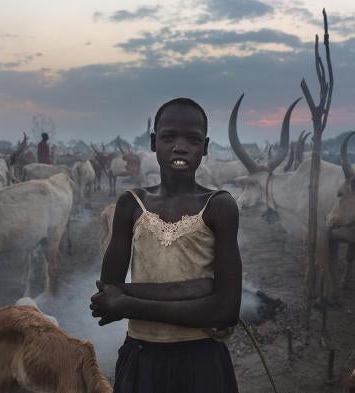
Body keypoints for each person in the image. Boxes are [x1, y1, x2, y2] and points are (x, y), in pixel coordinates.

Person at [90, 98, 242, 393]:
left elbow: (226, 311)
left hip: (201, 361)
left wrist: (127, 302)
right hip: (142, 358)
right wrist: (199, 288)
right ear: (153, 142)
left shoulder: (219, 206)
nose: (180, 147)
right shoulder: (130, 204)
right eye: (169, 137)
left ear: (206, 147)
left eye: (193, 139)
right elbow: (106, 296)